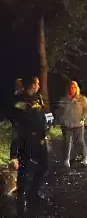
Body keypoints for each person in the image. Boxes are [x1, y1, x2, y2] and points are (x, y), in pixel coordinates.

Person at [12, 77, 50, 206]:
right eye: (37, 83)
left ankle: (34, 190)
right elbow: (17, 119)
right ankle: (21, 193)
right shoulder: (20, 100)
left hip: (40, 138)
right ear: (32, 85)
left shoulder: (38, 98)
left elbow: (43, 114)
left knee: (44, 165)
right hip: (26, 138)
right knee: (25, 166)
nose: (39, 85)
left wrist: (47, 125)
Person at [59, 80, 87, 168]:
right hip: (67, 124)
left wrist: (83, 118)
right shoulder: (65, 99)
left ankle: (84, 159)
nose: (72, 89)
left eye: (74, 87)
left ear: (77, 88)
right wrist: (61, 119)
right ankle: (66, 160)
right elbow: (60, 110)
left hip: (78, 124)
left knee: (80, 141)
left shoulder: (82, 98)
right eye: (71, 87)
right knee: (68, 142)